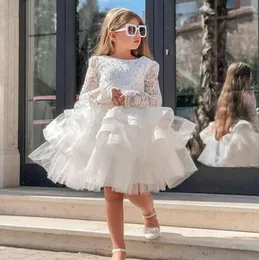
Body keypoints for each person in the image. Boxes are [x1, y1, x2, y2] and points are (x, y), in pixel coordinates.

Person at [29, 8, 197, 260]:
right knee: (112, 191)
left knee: (135, 190)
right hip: (105, 130)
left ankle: (149, 213)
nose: (138, 35)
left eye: (141, 30)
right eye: (131, 29)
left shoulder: (147, 65)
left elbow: (155, 100)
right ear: (112, 34)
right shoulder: (98, 62)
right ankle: (118, 248)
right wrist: (107, 94)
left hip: (137, 131)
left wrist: (131, 96)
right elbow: (85, 96)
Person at [198, 62, 259, 168]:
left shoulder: (225, 95)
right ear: (245, 77)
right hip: (243, 136)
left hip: (226, 133)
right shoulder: (247, 95)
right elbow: (253, 116)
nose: (251, 77)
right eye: (250, 75)